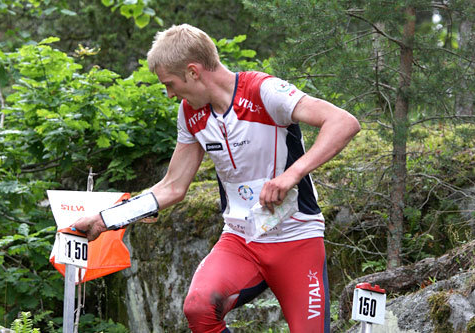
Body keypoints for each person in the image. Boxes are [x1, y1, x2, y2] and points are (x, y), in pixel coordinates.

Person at [72, 24, 360, 333]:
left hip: (296, 240)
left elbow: (343, 122)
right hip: (240, 241)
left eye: (170, 83)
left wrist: (291, 175)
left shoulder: (264, 91)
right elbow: (173, 186)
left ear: (193, 72)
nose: (169, 94)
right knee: (198, 308)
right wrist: (106, 219)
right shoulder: (190, 114)